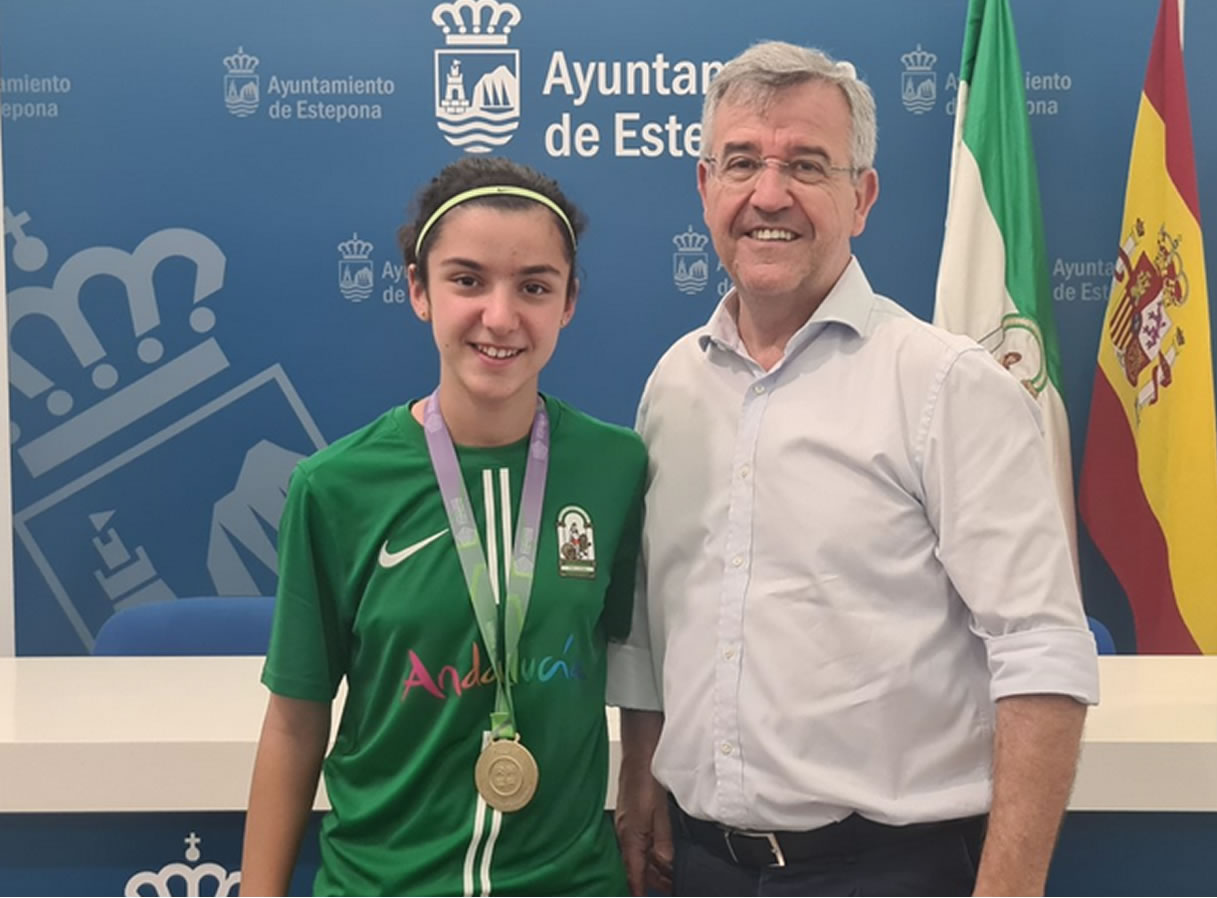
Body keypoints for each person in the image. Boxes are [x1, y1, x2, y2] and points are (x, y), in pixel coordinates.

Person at [608, 40, 1100, 898]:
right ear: (704, 186)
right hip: (697, 869)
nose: (769, 195)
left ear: (861, 196)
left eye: (806, 165)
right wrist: (638, 778)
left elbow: (1041, 654)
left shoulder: (947, 386)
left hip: (887, 872)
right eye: (741, 163)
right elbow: (659, 625)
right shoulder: (672, 384)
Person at [241, 157, 645, 896]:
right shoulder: (335, 487)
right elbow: (295, 724)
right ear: (418, 291)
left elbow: (642, 666)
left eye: (533, 286)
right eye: (467, 280)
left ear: (569, 302)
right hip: (382, 884)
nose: (500, 316)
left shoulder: (616, 469)